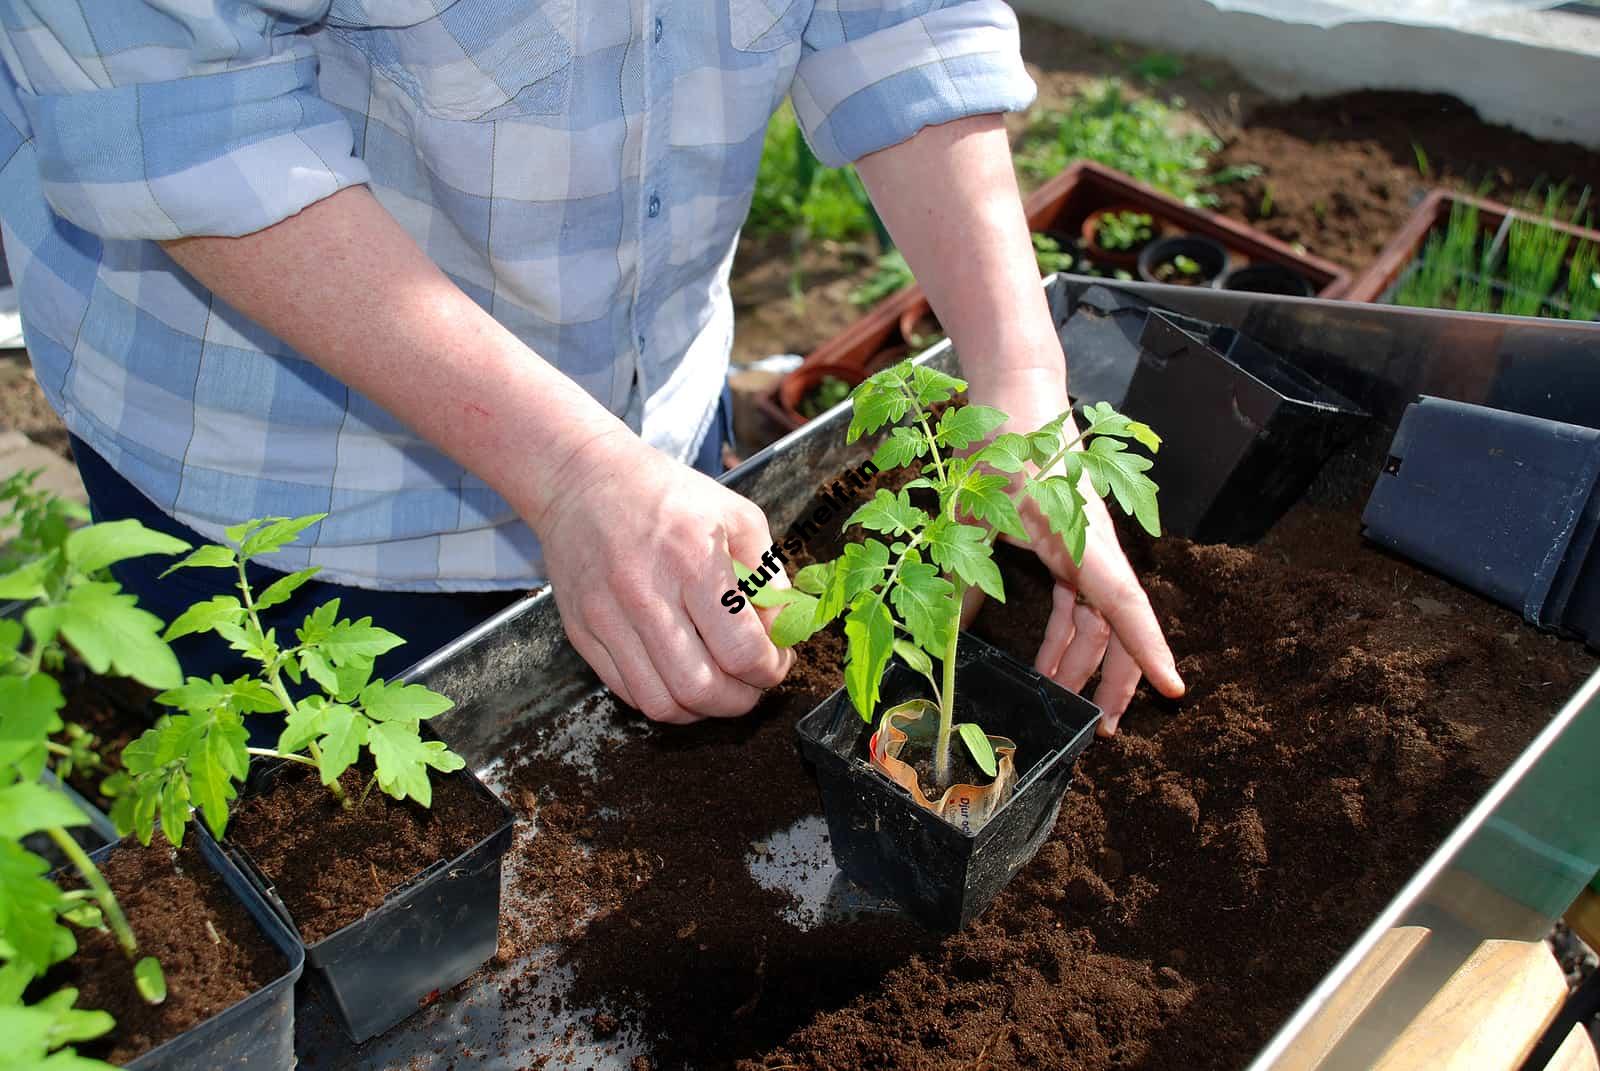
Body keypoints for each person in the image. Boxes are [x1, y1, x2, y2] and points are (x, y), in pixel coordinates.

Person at [0, 0, 1183, 734]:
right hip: (288, 484)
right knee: (347, 923)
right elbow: (192, 117)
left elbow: (896, 16)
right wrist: (568, 475)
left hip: (650, 419)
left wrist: (1017, 387)